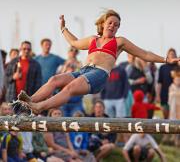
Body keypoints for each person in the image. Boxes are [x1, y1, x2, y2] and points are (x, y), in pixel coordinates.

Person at [19, 9, 180, 114]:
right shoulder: (92, 40)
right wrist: (63, 28)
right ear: (103, 24)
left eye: (116, 25)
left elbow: (144, 54)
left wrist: (166, 59)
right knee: (54, 79)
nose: (113, 26)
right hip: (84, 70)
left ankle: (40, 107)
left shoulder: (119, 41)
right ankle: (29, 103)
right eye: (110, 23)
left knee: (70, 88)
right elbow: (74, 43)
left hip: (99, 74)